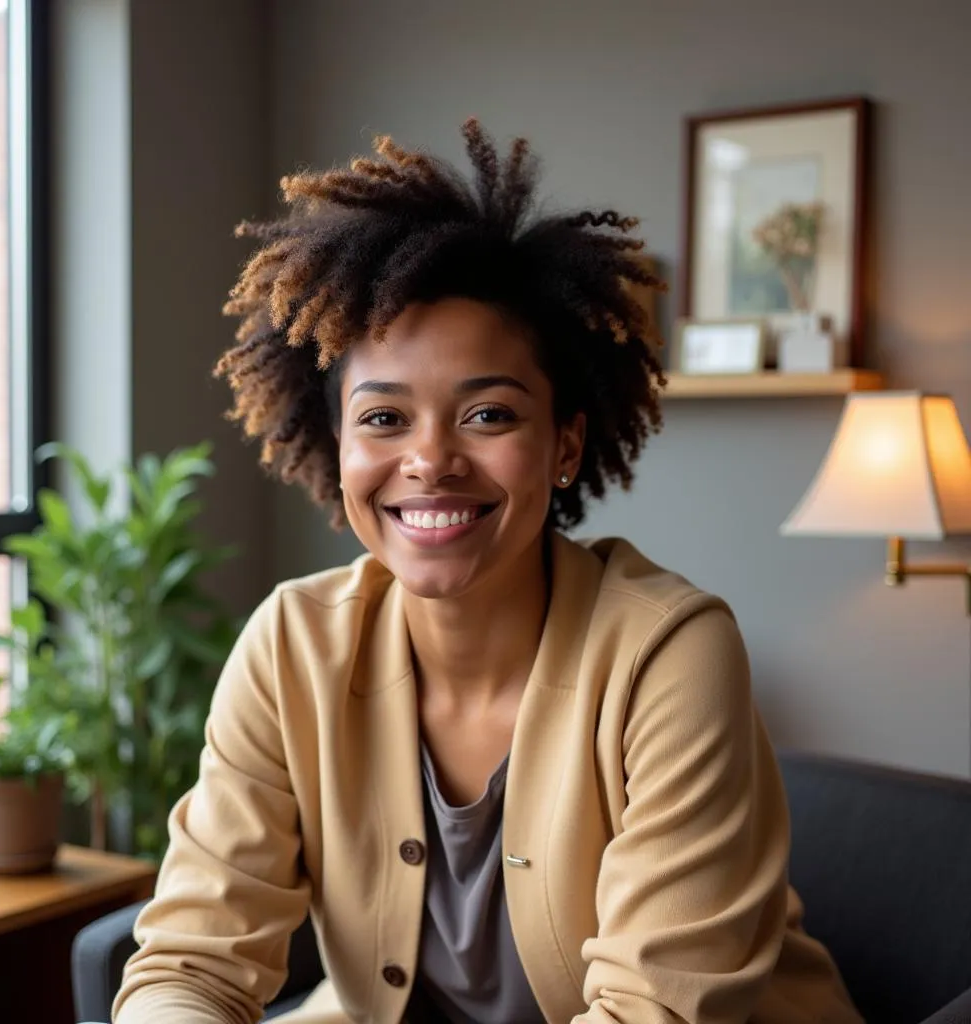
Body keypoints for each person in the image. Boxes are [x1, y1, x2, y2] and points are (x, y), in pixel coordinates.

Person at [112, 120, 861, 1024]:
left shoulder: (671, 654)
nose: (430, 461)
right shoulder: (291, 644)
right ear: (336, 445)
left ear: (565, 445)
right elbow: (190, 964)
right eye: (384, 419)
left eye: (489, 414)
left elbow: (650, 1013)